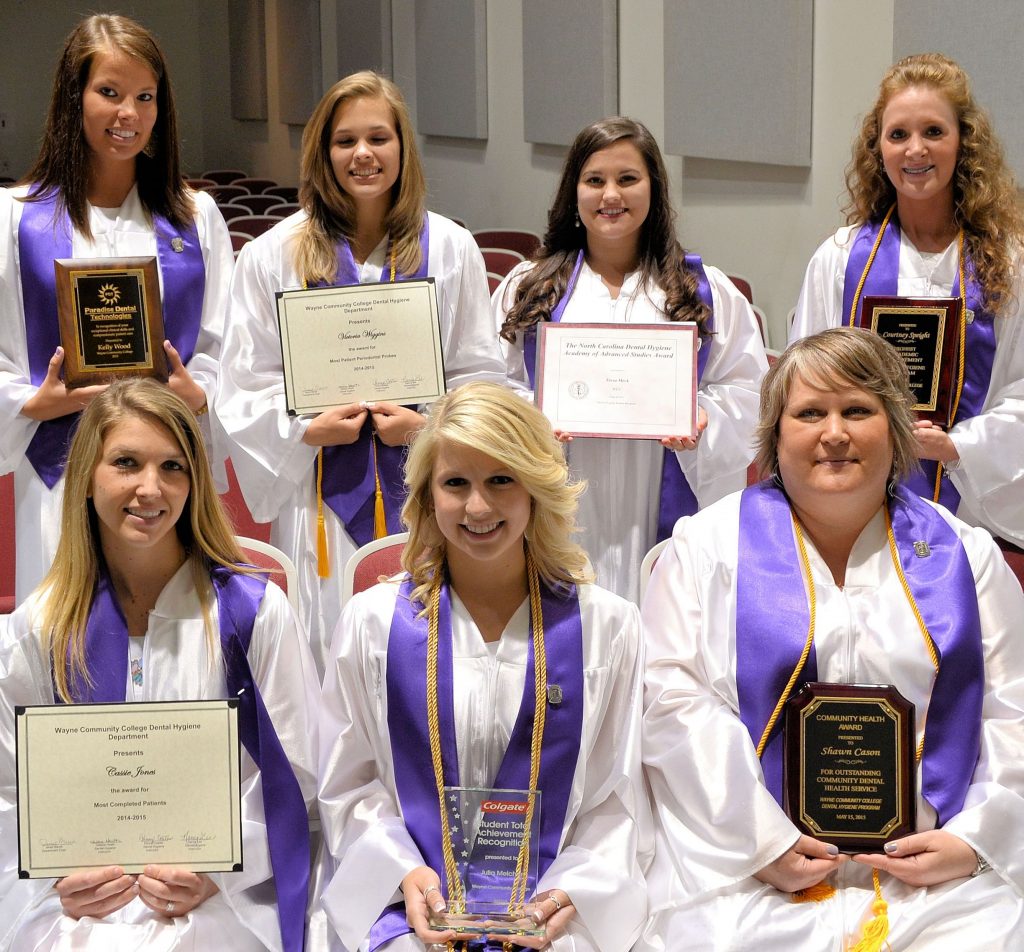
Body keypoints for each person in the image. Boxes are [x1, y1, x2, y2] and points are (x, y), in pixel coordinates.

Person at [637, 327, 1024, 951]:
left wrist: (976, 839)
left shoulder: (965, 556)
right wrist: (760, 841)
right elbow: (672, 704)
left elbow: (1014, 705)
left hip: (935, 876)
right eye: (809, 412)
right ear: (774, 433)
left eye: (858, 411)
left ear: (896, 430)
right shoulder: (707, 549)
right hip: (746, 870)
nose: (834, 433)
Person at [316, 382, 649, 952]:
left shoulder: (607, 627)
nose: (478, 507)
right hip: (410, 905)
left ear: (537, 489)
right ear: (426, 495)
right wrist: (402, 872)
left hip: (553, 908)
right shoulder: (370, 623)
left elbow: (615, 797)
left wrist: (571, 888)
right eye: (455, 483)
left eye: (501, 480)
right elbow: (349, 783)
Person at [0, 380, 319, 951]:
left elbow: (295, 775)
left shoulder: (254, 615)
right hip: (75, 902)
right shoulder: (38, 630)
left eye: (173, 467)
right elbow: (7, 788)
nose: (151, 488)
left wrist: (221, 866)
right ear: (86, 479)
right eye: (126, 463)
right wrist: (50, 876)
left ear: (194, 483)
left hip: (218, 897)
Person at [217, 71, 506, 674]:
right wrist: (303, 427)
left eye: (379, 137)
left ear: (403, 148)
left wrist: (430, 427)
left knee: (424, 654)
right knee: (325, 652)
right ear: (322, 153)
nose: (363, 154)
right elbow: (243, 382)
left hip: (431, 489)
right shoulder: (274, 254)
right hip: (317, 494)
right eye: (345, 140)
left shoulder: (450, 248)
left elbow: (481, 374)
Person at [0, 14, 233, 604]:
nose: (128, 113)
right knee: (65, 630)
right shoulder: (16, 219)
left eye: (144, 97)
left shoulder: (194, 218)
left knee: (170, 634)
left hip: (165, 478)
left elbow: (224, 348)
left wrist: (197, 392)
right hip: (58, 468)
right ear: (72, 99)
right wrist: (32, 400)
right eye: (109, 93)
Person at [493, 117, 767, 604]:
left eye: (627, 179)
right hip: (566, 486)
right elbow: (493, 385)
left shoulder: (704, 291)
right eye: (594, 180)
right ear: (574, 191)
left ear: (654, 189)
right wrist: (531, 419)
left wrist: (705, 419)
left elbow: (750, 391)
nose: (610, 195)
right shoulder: (529, 288)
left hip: (659, 487)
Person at [791, 53, 1024, 547]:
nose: (915, 150)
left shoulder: (1008, 263)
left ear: (964, 142)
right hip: (853, 497)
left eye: (934, 131)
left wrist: (958, 447)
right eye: (898, 134)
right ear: (878, 148)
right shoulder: (838, 259)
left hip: (971, 504)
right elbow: (803, 384)